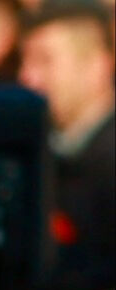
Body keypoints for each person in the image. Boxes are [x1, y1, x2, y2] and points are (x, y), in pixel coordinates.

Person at [35, 0, 114, 262]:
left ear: (97, 67)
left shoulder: (106, 164)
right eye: (26, 60)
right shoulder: (48, 151)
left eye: (45, 60)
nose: (29, 77)